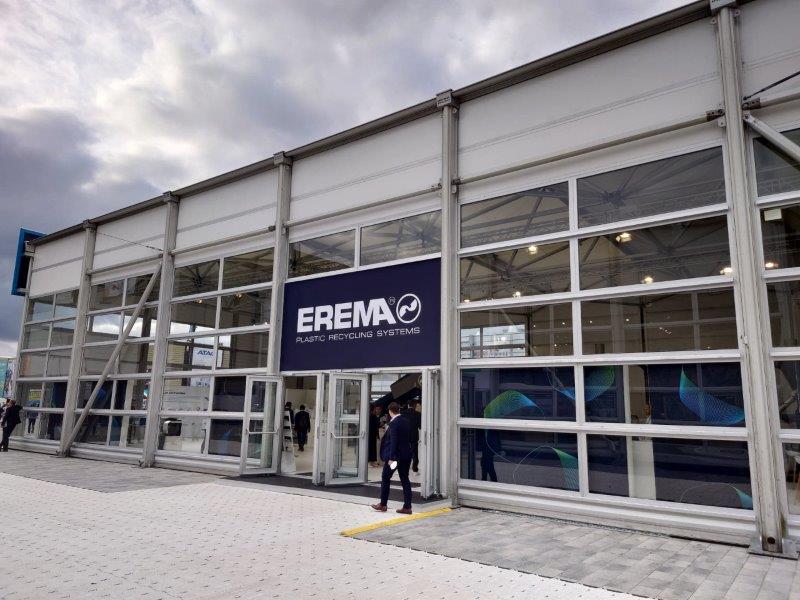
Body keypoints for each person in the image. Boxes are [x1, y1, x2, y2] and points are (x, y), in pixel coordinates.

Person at [372, 402, 413, 514]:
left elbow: (394, 441)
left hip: (395, 458)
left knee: (385, 477)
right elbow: (409, 438)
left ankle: (383, 504)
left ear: (390, 411)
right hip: (406, 455)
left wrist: (391, 458)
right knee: (405, 480)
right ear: (398, 410)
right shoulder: (406, 421)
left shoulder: (394, 423)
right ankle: (407, 507)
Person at [402, 400, 422, 473]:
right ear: (415, 405)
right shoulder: (418, 414)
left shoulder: (403, 413)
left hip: (404, 436)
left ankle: (404, 467)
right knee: (414, 453)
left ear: (408, 405)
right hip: (414, 436)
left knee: (404, 451)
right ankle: (414, 468)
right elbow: (420, 426)